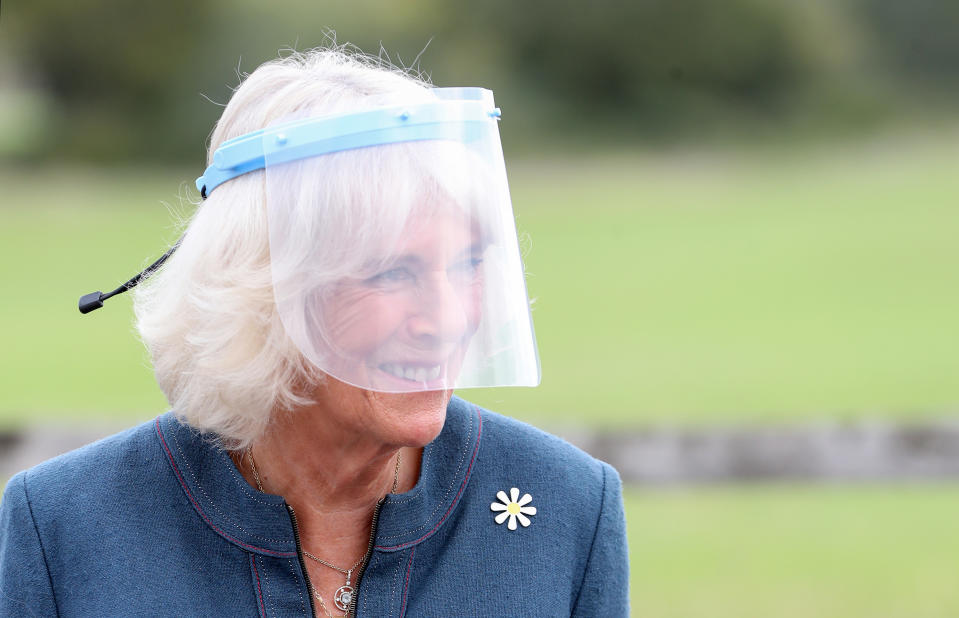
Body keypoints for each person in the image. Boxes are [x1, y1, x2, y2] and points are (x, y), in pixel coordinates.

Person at [0, 47, 629, 616]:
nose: (447, 318)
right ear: (263, 292)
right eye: (392, 272)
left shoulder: (569, 506)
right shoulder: (61, 526)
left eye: (466, 264)